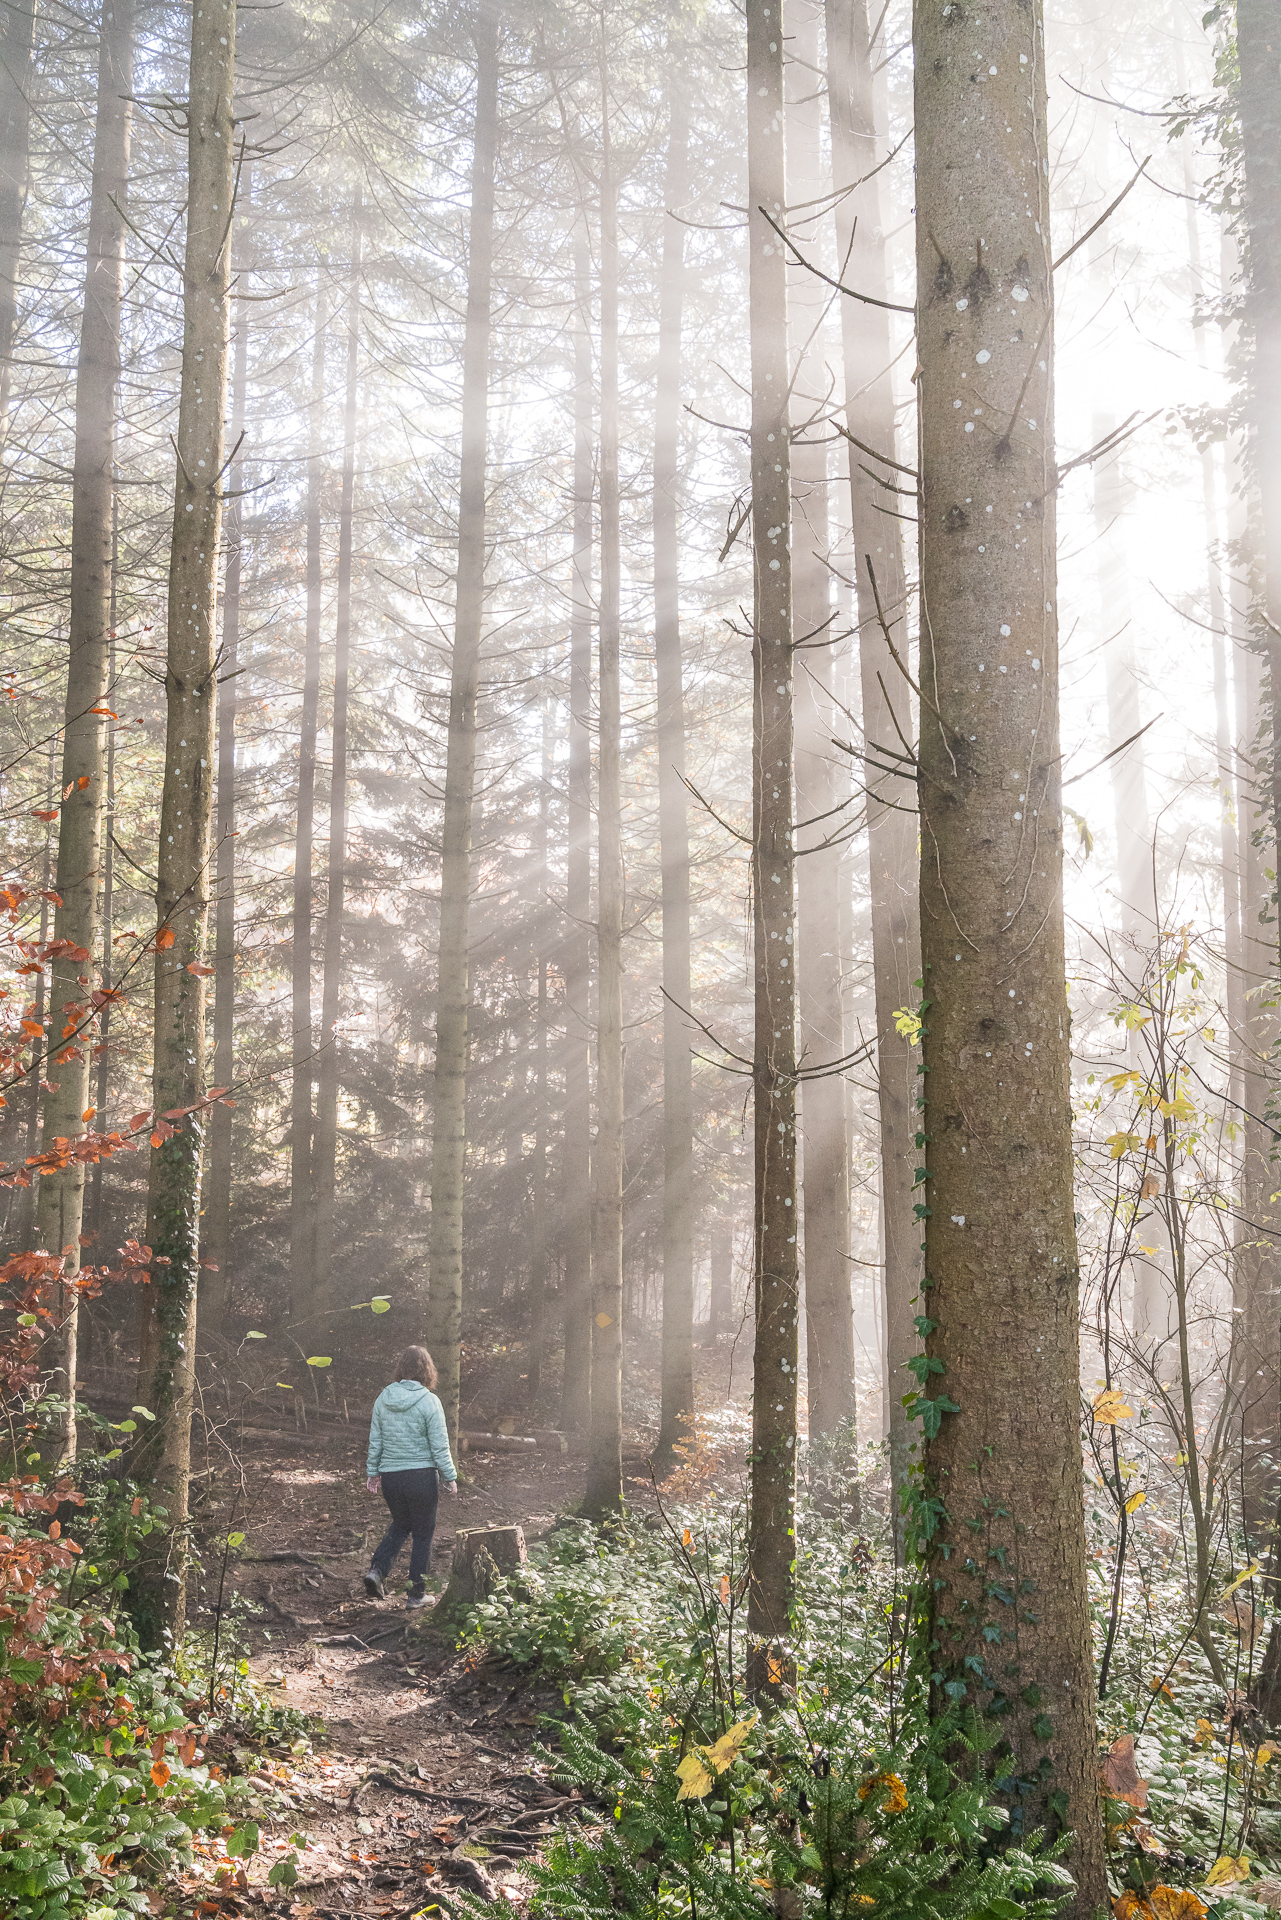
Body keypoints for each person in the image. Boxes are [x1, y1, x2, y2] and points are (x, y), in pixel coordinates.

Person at [364, 1345, 458, 1609]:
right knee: (423, 1534)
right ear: (428, 1370)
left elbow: (376, 1439)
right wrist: (449, 1476)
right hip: (420, 1477)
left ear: (401, 1368)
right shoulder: (430, 1401)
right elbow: (440, 1444)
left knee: (400, 1524)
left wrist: (373, 1472)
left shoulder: (384, 1397)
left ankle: (377, 1571)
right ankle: (416, 1596)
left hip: (391, 1477)